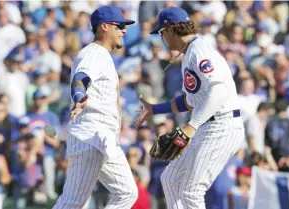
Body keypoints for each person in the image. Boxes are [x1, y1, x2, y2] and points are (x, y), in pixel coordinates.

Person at [135, 7, 244, 209]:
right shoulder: (190, 52)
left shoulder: (199, 51)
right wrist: (155, 109)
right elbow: (190, 102)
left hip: (222, 125)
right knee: (171, 179)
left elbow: (219, 93)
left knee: (192, 191)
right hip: (210, 125)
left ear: (169, 30)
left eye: (160, 33)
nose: (162, 39)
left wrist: (192, 126)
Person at [52, 6, 138, 209]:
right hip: (92, 133)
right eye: (120, 26)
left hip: (98, 135)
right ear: (105, 27)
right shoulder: (94, 53)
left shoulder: (101, 55)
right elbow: (81, 78)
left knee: (123, 193)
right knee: (76, 201)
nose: (124, 30)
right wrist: (79, 96)